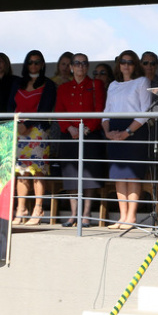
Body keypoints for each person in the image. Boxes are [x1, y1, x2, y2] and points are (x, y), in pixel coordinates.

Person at [101, 50, 152, 230]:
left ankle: (131, 216)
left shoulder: (142, 81)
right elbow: (106, 112)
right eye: (123, 61)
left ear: (135, 64)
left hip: (135, 129)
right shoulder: (113, 85)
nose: (126, 65)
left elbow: (145, 111)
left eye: (130, 62)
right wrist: (108, 131)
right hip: (114, 128)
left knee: (132, 173)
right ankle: (122, 216)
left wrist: (128, 132)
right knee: (118, 175)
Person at [54, 53, 106, 227]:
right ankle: (73, 213)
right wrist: (70, 128)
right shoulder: (63, 87)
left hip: (90, 133)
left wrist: (85, 129)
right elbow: (59, 111)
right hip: (69, 134)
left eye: (84, 63)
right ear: (71, 67)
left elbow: (100, 109)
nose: (80, 67)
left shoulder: (95, 84)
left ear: (87, 66)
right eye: (76, 63)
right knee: (71, 174)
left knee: (89, 174)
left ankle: (86, 213)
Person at [9, 50, 57, 226]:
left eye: (37, 62)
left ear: (43, 64)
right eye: (30, 62)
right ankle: (21, 209)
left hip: (37, 130)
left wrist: (27, 124)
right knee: (20, 171)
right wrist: (15, 124)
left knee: (37, 171)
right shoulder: (17, 83)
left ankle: (38, 208)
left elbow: (45, 108)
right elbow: (10, 105)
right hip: (17, 130)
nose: (34, 65)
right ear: (25, 64)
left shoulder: (48, 84)